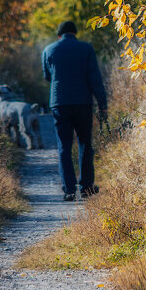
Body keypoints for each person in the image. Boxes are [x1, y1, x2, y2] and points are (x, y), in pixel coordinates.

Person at [42, 20, 108, 201]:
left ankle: (69, 189)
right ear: (75, 33)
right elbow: (95, 78)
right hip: (83, 103)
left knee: (64, 146)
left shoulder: (49, 50)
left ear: (59, 35)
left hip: (60, 103)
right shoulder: (86, 49)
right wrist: (102, 103)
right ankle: (86, 186)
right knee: (85, 144)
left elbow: (47, 76)